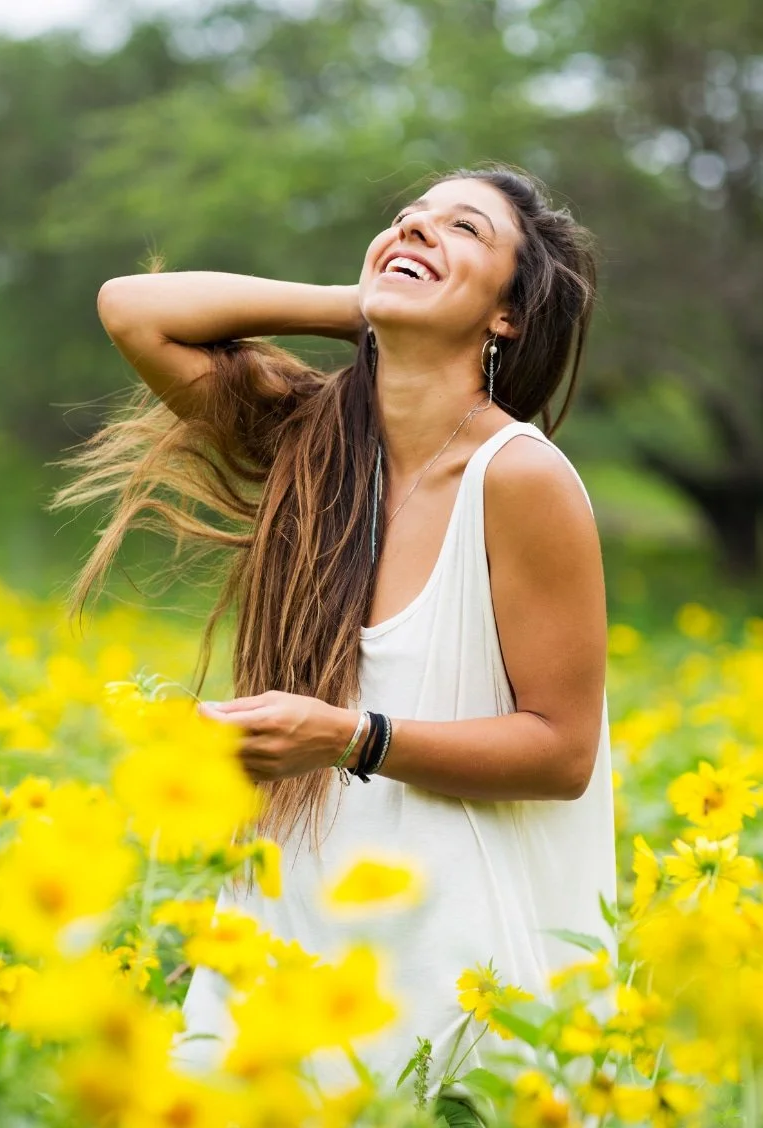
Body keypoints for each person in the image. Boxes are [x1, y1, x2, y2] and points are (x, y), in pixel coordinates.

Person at [58, 162, 617, 1104]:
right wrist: (366, 301)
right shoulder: (311, 444)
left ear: (507, 315)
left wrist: (350, 737)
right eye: (405, 219)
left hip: (449, 966)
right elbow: (133, 309)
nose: (414, 230)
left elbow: (562, 752)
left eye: (462, 230)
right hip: (282, 941)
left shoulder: (519, 478)